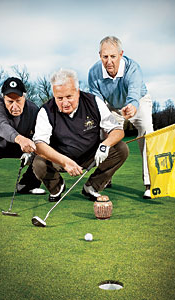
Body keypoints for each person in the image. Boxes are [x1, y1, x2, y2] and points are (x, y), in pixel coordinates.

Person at [32, 69, 129, 202]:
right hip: (60, 159)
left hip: (91, 155)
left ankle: (92, 186)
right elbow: (39, 145)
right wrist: (65, 162)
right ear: (54, 94)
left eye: (69, 97)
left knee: (121, 149)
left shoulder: (93, 102)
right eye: (59, 98)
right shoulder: (45, 111)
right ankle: (57, 187)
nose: (64, 103)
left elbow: (117, 130)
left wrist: (105, 145)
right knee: (39, 163)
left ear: (77, 92)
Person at [88, 36, 154, 199]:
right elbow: (97, 102)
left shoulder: (133, 68)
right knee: (106, 136)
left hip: (138, 101)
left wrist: (132, 106)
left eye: (113, 56)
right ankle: (105, 178)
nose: (109, 61)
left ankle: (150, 183)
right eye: (105, 57)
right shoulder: (93, 72)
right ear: (100, 56)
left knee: (147, 131)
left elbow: (133, 93)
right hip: (111, 105)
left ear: (121, 54)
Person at [0, 77, 45, 200]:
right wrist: (22, 140)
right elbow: (1, 125)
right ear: (3, 98)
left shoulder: (33, 109)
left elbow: (40, 132)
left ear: (24, 97)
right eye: (10, 101)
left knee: (44, 148)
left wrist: (32, 151)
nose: (15, 106)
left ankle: (27, 185)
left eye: (18, 101)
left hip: (17, 145)